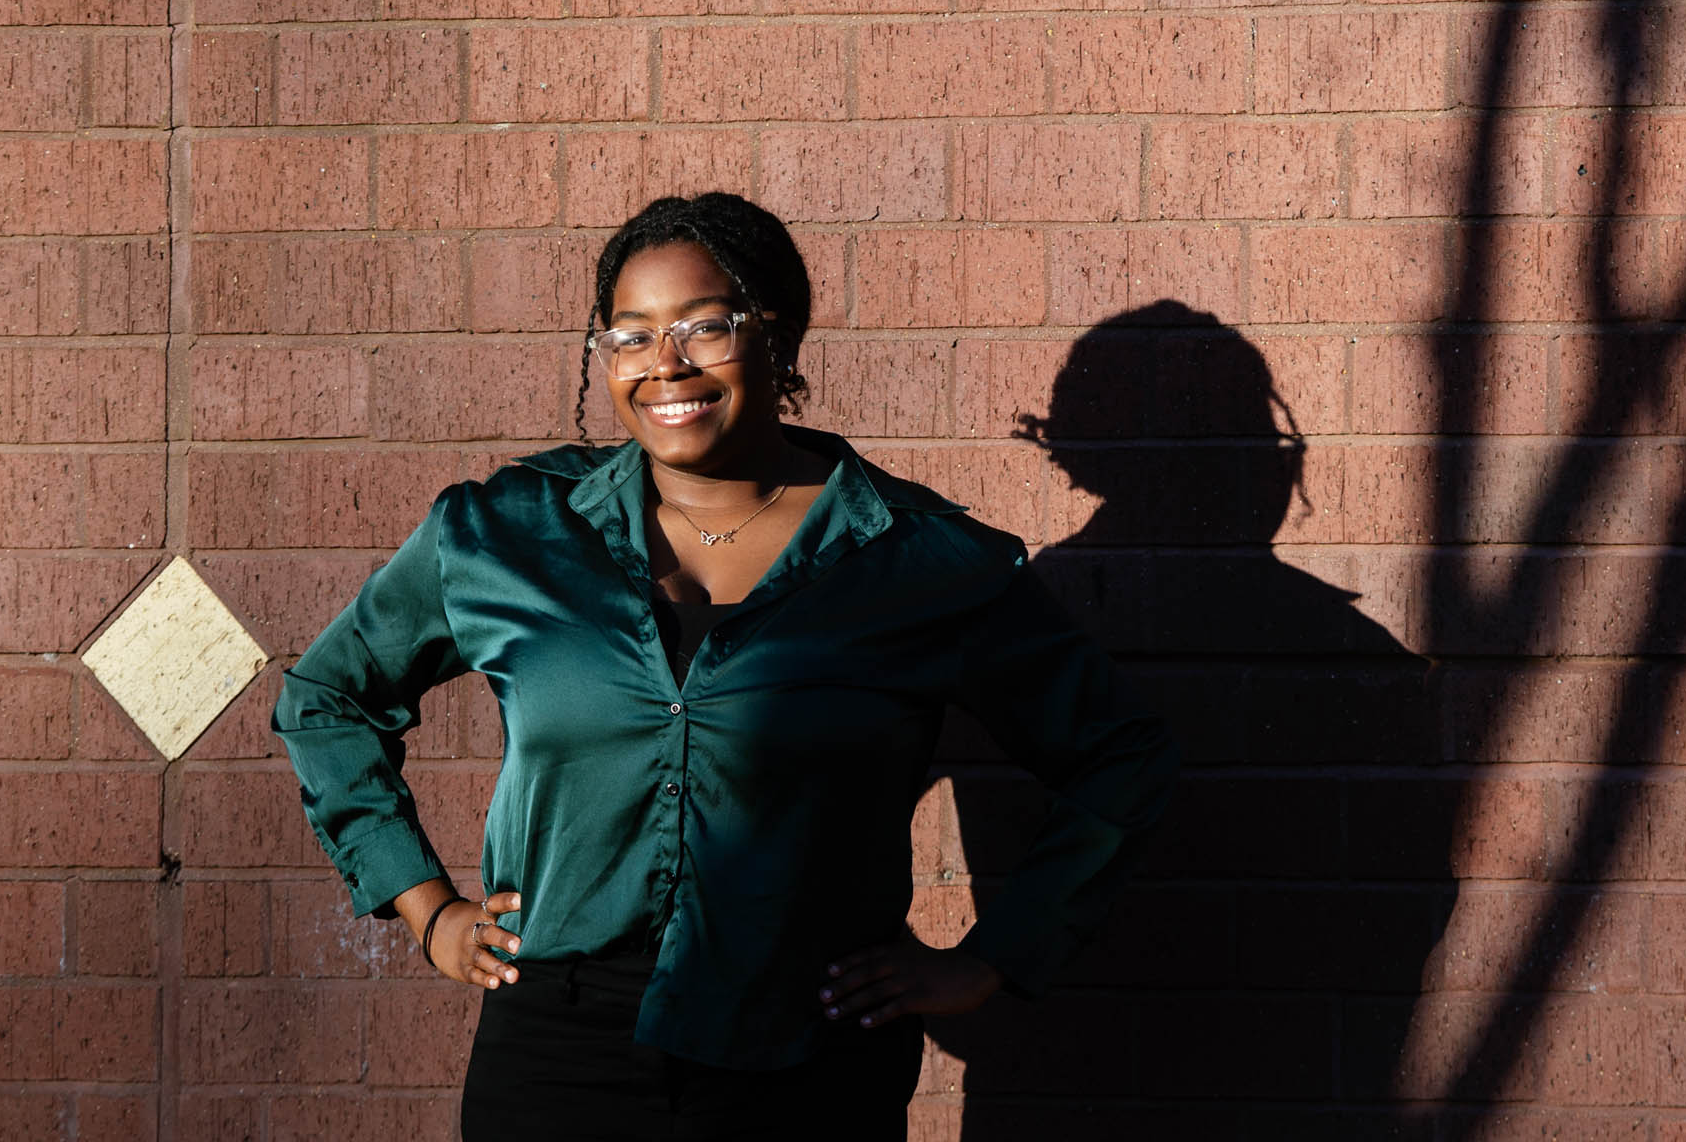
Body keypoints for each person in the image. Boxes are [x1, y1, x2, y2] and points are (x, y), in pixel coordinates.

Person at [273, 192, 1178, 1141]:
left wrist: (993, 954)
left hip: (808, 1059)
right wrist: (430, 912)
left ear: (778, 336)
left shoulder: (920, 561)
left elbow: (1120, 755)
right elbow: (330, 697)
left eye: (705, 327)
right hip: (559, 1052)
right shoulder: (506, 532)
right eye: (629, 336)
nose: (665, 365)